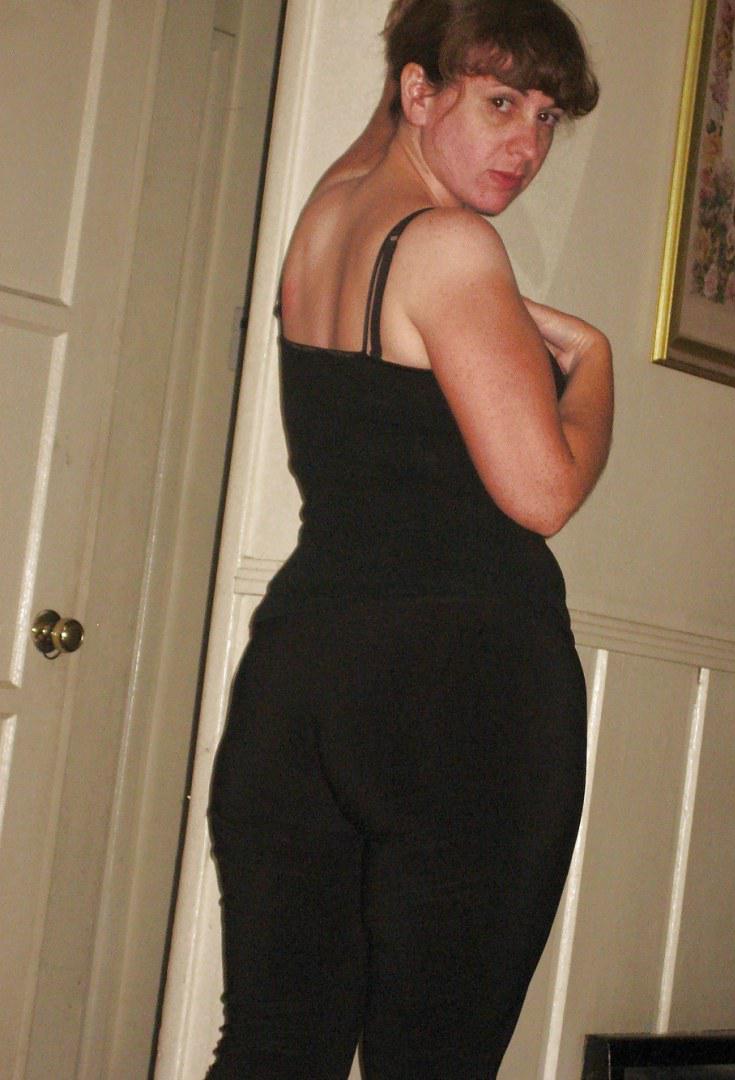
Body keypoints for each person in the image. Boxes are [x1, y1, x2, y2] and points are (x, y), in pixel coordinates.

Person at [207, 1, 613, 1076]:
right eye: (501, 103)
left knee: (271, 1049)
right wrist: (597, 367)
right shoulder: (450, 247)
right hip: (461, 695)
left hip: (303, 679)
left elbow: (392, 106)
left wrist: (429, 30)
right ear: (420, 93)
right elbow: (544, 494)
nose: (527, 144)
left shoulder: (327, 214)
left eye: (547, 116)